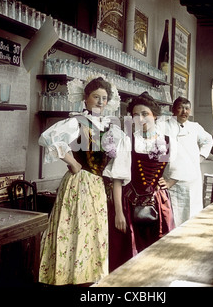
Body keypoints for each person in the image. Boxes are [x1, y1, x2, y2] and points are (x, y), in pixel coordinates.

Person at [38, 77, 131, 286]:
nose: (100, 102)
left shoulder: (111, 127)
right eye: (96, 97)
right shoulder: (77, 121)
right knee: (74, 230)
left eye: (104, 98)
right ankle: (67, 278)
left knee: (92, 234)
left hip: (98, 187)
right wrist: (71, 161)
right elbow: (48, 137)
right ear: (86, 98)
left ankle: (87, 280)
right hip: (78, 184)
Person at [118, 92, 178, 262]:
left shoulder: (168, 141)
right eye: (136, 115)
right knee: (134, 248)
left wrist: (169, 182)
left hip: (159, 201)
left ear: (155, 116)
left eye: (145, 114)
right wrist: (118, 213)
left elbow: (180, 168)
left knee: (159, 249)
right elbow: (117, 177)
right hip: (131, 201)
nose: (141, 119)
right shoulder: (128, 140)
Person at [165, 96, 213, 226]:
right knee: (173, 214)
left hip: (192, 178)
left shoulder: (194, 127)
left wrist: (200, 157)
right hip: (172, 178)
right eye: (180, 108)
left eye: (187, 108)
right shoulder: (165, 126)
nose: (184, 112)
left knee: (192, 213)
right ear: (173, 109)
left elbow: (208, 140)